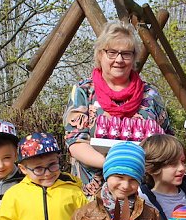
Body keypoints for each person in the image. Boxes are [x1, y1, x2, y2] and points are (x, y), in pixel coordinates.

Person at [63, 20, 173, 197]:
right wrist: (115, 164)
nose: (119, 60)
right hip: (93, 192)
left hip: (142, 192)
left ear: (134, 57)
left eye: (126, 54)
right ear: (100, 55)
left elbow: (166, 142)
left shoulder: (150, 94)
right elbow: (75, 142)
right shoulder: (83, 91)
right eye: (112, 52)